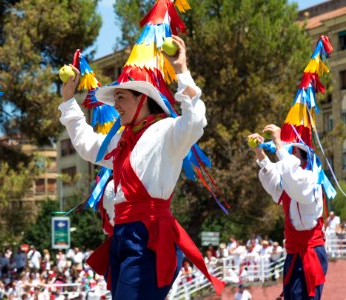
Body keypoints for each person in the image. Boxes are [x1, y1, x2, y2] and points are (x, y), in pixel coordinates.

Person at [59, 36, 223, 299]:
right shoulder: (121, 139)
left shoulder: (167, 131)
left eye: (121, 97)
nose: (116, 106)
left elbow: (194, 122)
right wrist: (68, 101)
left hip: (149, 236)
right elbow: (88, 145)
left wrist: (182, 72)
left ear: (142, 99)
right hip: (124, 235)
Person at [249, 124, 328, 299]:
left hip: (310, 252)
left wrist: (278, 142)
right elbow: (272, 180)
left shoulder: (311, 181)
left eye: (293, 152)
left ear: (304, 159)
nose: (289, 155)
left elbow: (292, 177)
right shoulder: (291, 183)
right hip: (293, 254)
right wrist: (259, 152)